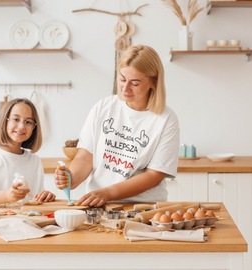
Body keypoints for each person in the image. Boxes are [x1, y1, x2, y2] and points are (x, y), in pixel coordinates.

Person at [55, 44, 180, 207]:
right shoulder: (103, 107)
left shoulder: (166, 119)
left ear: (153, 82)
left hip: (142, 207)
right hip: (98, 204)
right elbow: (85, 157)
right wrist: (71, 177)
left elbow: (154, 175)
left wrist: (108, 193)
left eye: (135, 83)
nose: (125, 88)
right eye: (122, 79)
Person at [0, 98, 56, 205]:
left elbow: (36, 199)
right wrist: (7, 196)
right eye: (16, 119)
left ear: (34, 128)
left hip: (27, 219)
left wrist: (45, 197)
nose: (21, 126)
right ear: (5, 121)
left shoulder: (35, 161)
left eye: (28, 122)